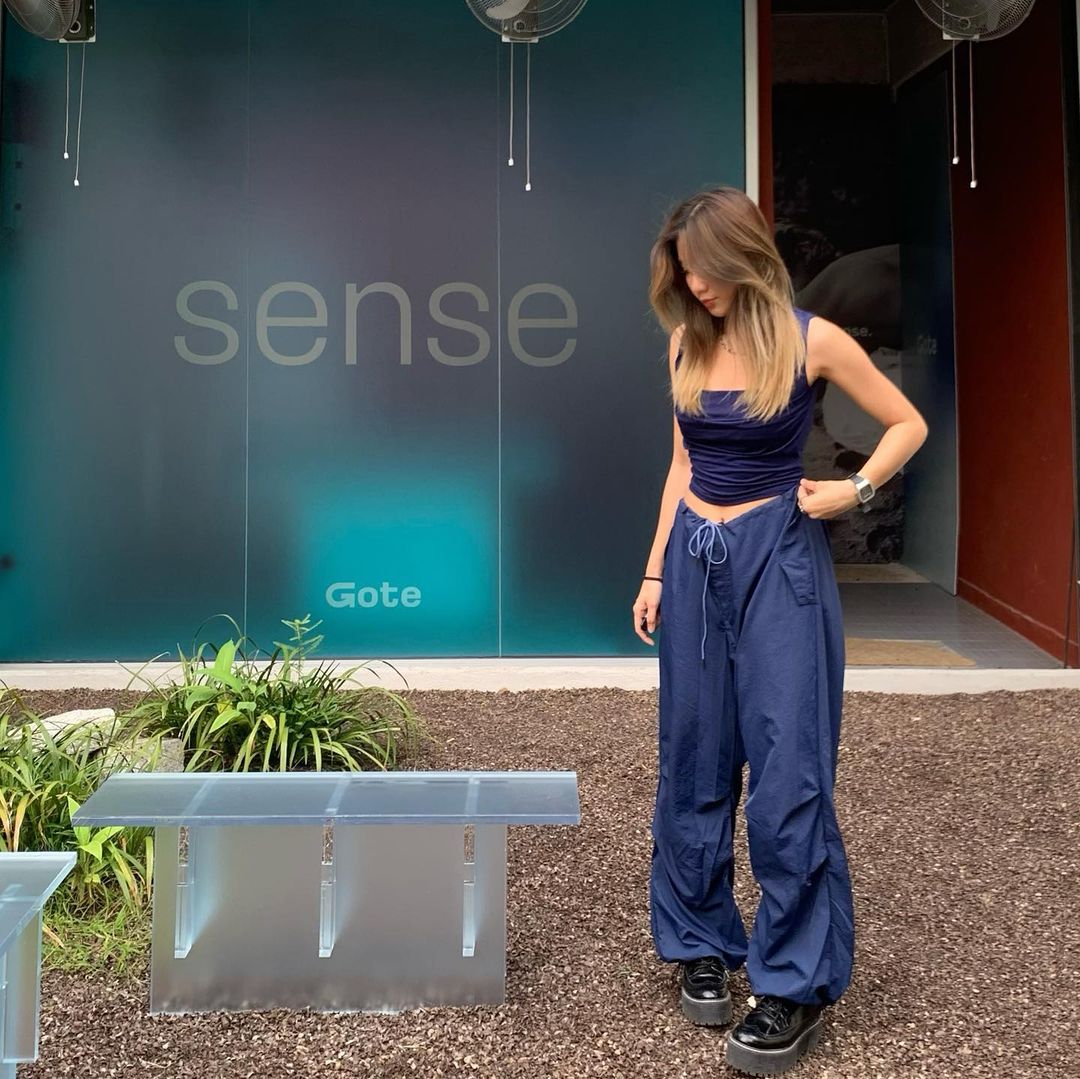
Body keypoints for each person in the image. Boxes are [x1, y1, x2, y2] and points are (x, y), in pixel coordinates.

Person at [634, 187, 927, 1075]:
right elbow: (682, 464)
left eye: (705, 268)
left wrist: (853, 489)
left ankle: (794, 983)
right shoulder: (685, 340)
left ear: (745, 256)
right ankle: (700, 940)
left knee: (789, 767)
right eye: (682, 269)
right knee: (693, 753)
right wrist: (655, 569)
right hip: (695, 558)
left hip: (780, 560)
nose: (695, 284)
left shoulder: (813, 339)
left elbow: (907, 423)